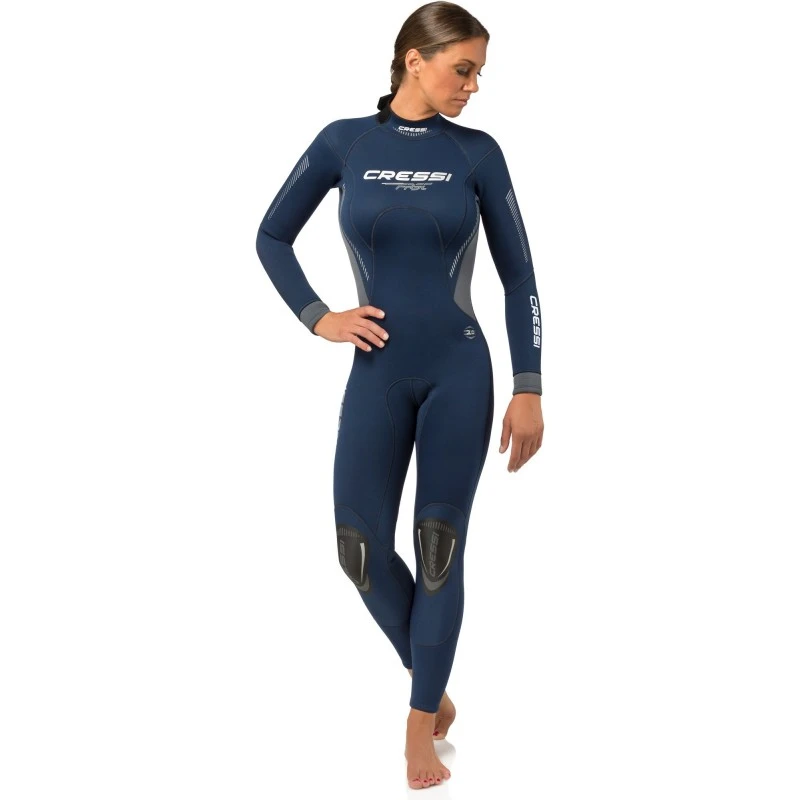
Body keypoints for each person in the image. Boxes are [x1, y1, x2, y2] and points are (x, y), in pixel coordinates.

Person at [255, 1, 544, 789]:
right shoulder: (344, 142)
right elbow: (271, 236)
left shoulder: (478, 154)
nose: (474, 86)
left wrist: (529, 385)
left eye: (479, 72)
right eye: (463, 69)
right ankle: (431, 680)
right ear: (414, 59)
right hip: (376, 373)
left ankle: (418, 724)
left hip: (460, 371)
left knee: (438, 548)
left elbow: (519, 276)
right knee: (357, 550)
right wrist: (319, 317)